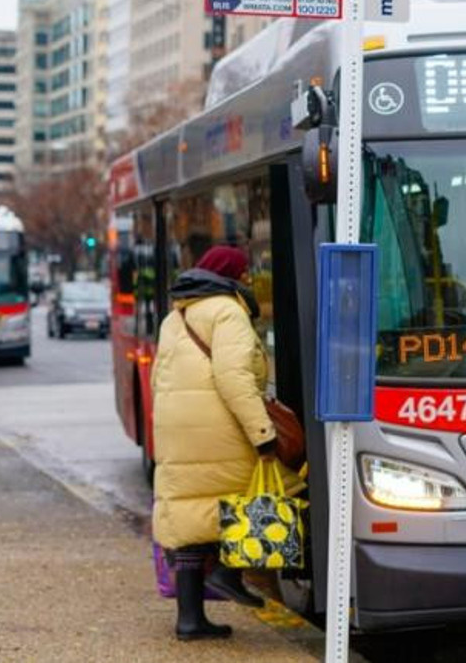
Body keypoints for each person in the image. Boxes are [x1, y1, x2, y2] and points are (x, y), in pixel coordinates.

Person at [150, 245, 283, 641]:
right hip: (220, 425)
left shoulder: (176, 315)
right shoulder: (228, 311)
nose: (247, 280)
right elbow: (233, 378)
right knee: (265, 491)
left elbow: (159, 377)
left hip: (179, 429)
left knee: (191, 516)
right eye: (243, 273)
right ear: (229, 275)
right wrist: (263, 433)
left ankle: (190, 620)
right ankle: (230, 572)